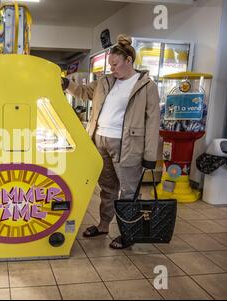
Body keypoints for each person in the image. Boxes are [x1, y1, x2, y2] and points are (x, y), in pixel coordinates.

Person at [62, 35, 160, 249]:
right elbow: (83, 92)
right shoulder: (106, 81)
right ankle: (104, 225)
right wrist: (66, 83)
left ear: (128, 61)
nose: (112, 69)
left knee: (128, 191)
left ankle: (128, 233)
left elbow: (153, 122)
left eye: (115, 65)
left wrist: (150, 156)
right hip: (99, 141)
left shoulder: (146, 86)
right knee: (107, 188)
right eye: (110, 65)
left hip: (128, 145)